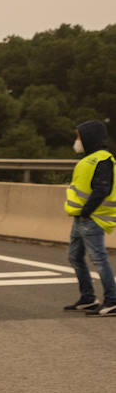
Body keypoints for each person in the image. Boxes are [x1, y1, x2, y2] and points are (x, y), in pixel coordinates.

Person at [64, 119, 116, 315]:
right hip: (81, 218)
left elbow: (103, 188)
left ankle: (112, 300)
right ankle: (88, 298)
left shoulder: (103, 159)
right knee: (74, 257)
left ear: (89, 137)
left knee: (99, 259)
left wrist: (86, 212)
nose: (77, 140)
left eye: (79, 136)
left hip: (92, 218)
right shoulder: (89, 160)